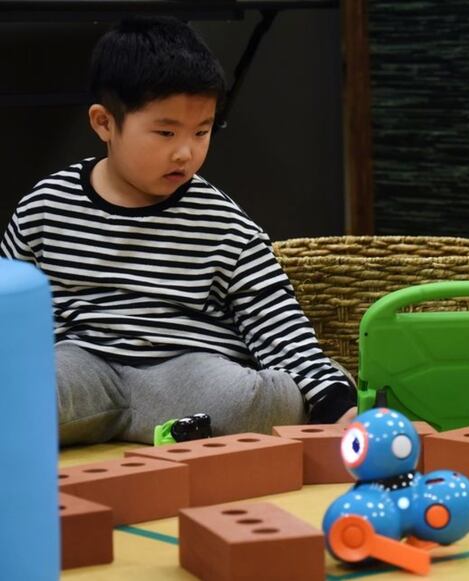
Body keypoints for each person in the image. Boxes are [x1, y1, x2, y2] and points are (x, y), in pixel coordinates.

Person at [0, 17, 356, 446]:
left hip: (185, 370)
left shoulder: (225, 224)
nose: (186, 152)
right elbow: (11, 306)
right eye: (165, 132)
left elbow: (277, 325)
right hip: (82, 366)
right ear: (104, 123)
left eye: (202, 132)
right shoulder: (47, 205)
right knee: (18, 394)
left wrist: (335, 403)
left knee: (260, 404)